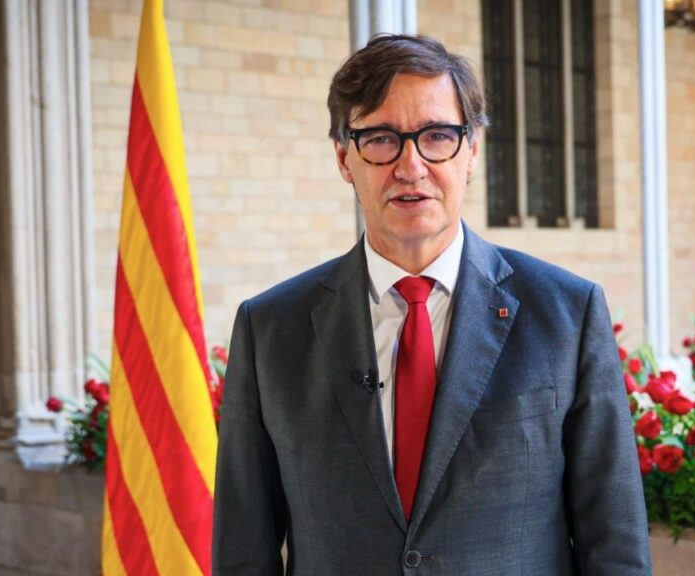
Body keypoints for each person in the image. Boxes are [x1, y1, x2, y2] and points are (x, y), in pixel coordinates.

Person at [213, 34, 651, 575]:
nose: (411, 165)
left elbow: (616, 546)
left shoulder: (567, 313)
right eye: (380, 139)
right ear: (344, 158)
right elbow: (243, 552)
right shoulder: (269, 329)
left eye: (437, 136)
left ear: (472, 152)